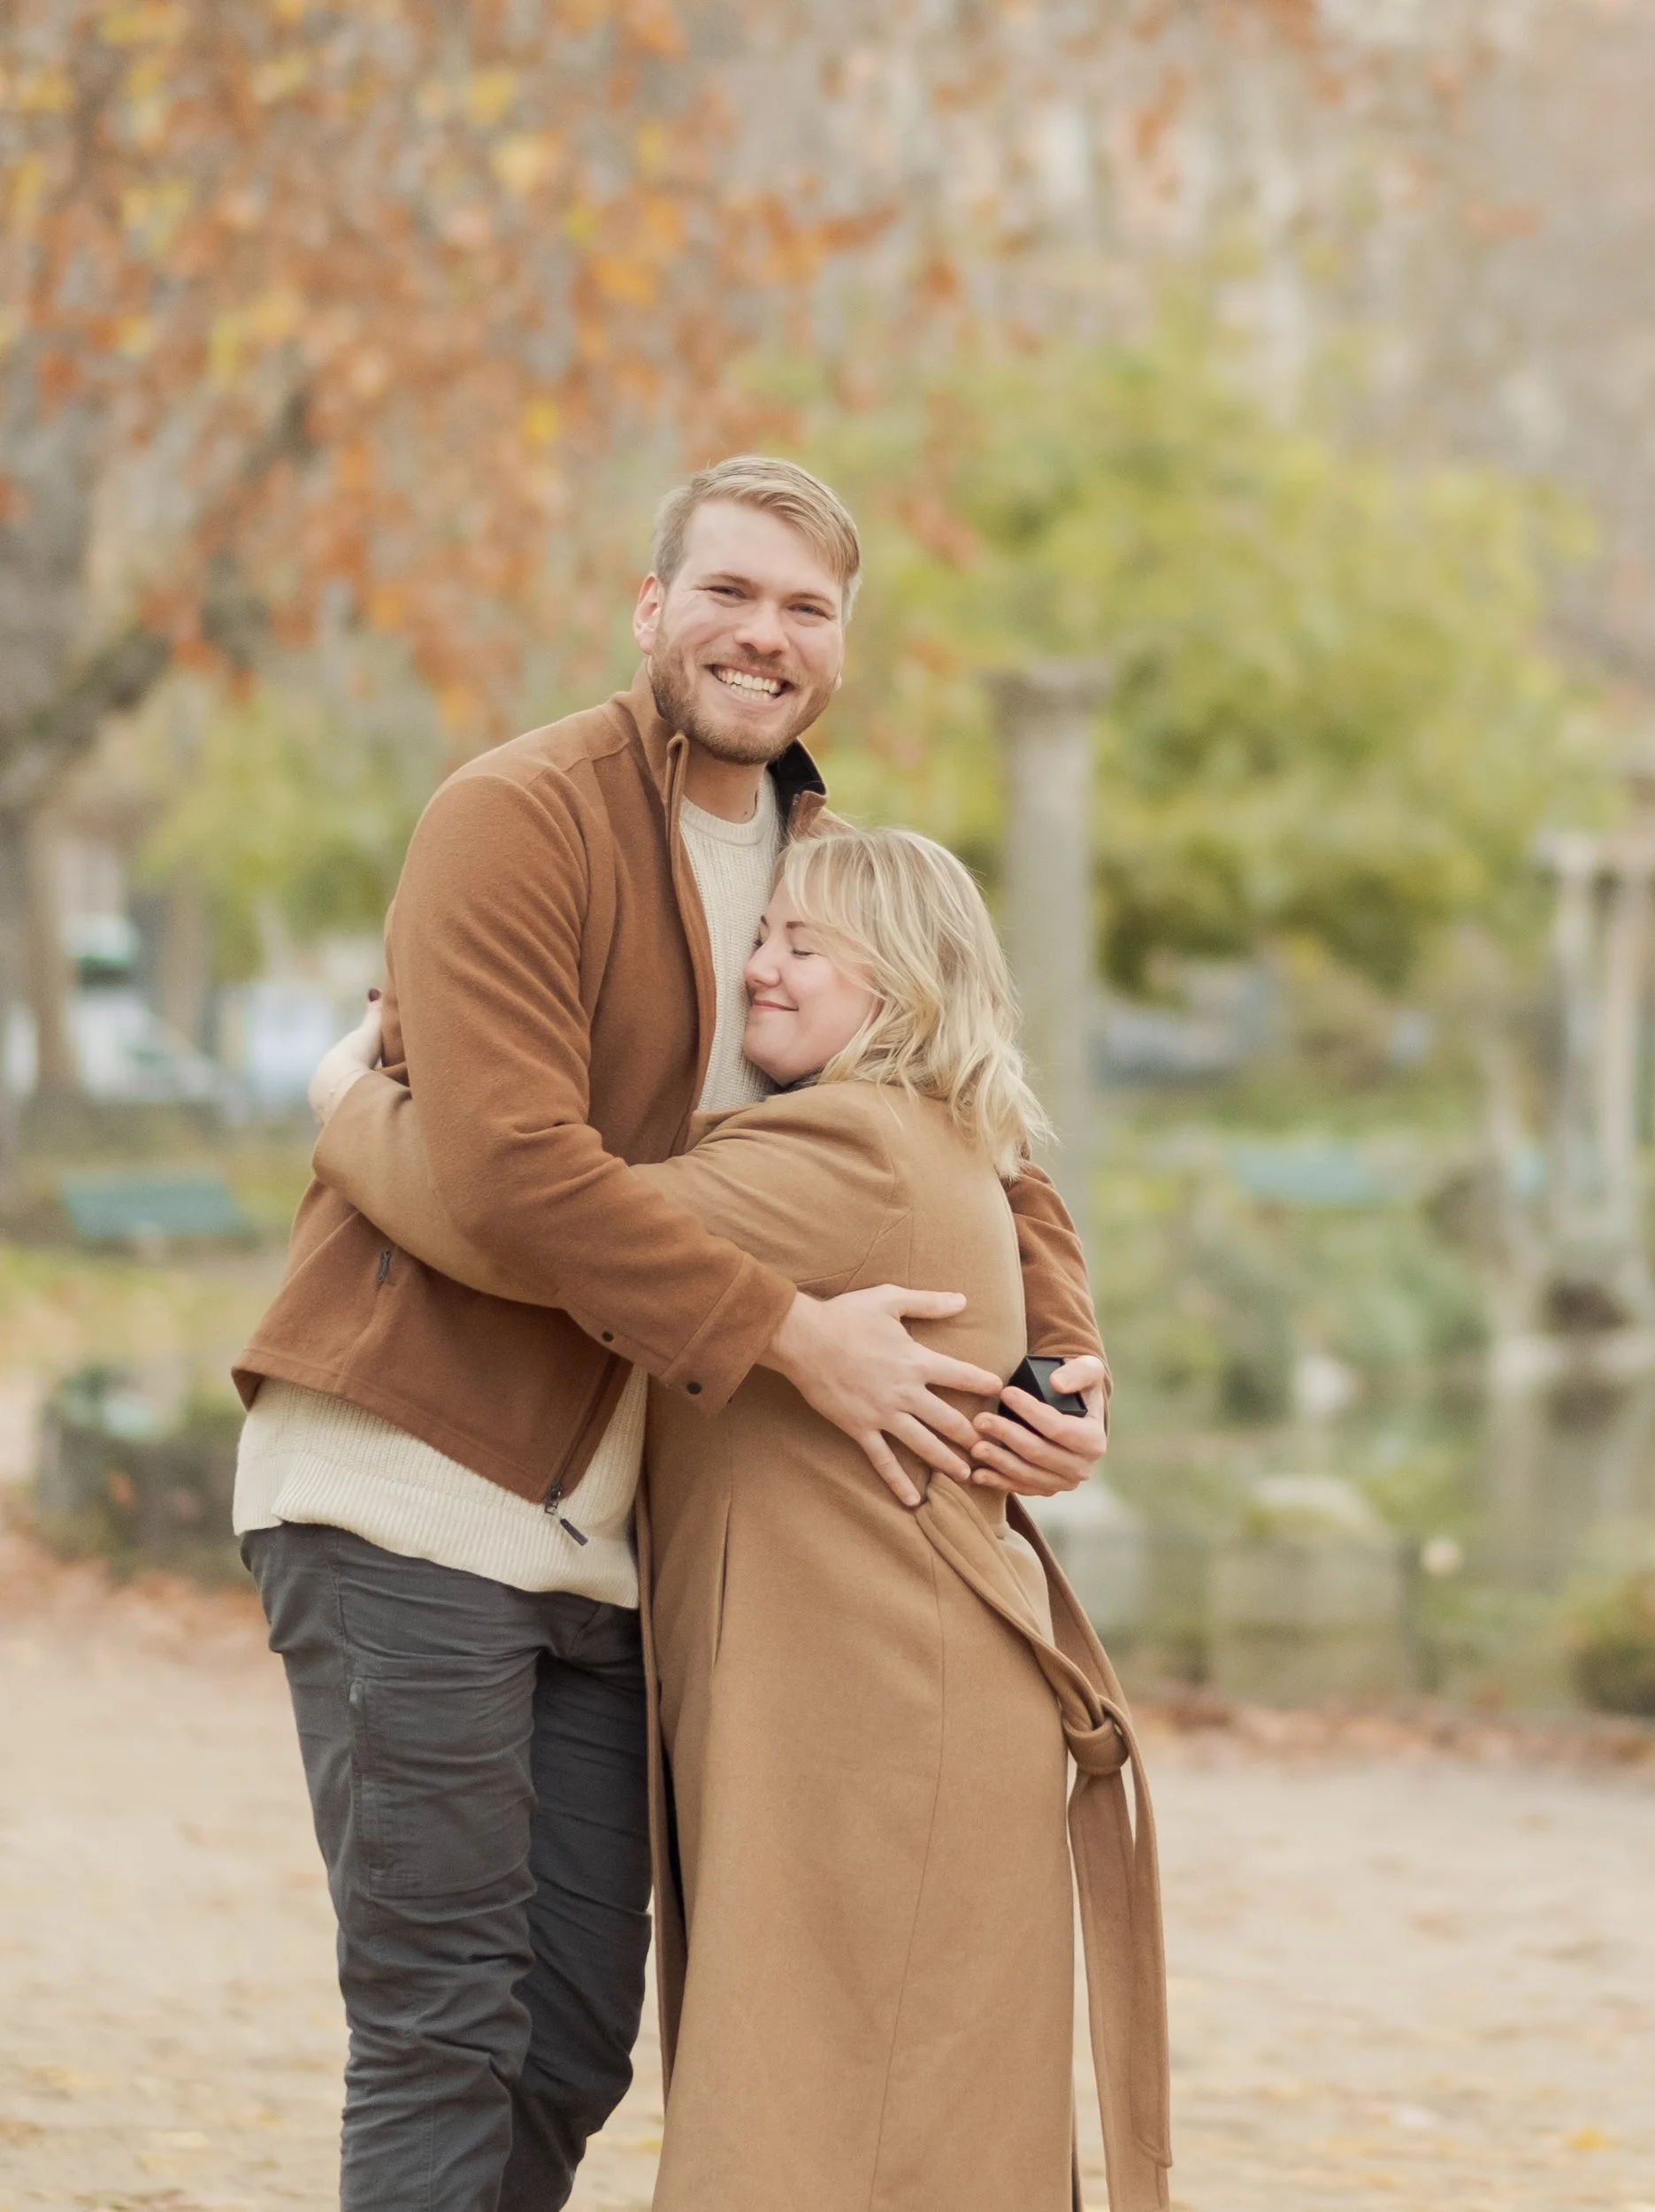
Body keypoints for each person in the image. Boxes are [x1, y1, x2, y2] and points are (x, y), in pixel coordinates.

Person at [230, 457, 1111, 2211]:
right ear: (650, 610)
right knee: (445, 2023)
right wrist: (790, 1332)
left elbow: (967, 1103)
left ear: (840, 645)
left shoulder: (825, 863)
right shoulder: (521, 815)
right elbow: (509, 1173)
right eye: (728, 591)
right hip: (423, 1473)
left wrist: (1054, 1371)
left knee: (566, 2034)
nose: (763, 634)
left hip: (623, 1538)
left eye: (806, 606)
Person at [310, 826, 1170, 2212]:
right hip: (876, 1713)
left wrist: (347, 1098)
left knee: (830, 2139)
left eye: (800, 948)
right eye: (760, 935)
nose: (758, 968)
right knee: (882, 2136)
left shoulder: (849, 1145)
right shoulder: (924, 1132)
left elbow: (532, 1229)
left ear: (900, 984)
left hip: (882, 1728)